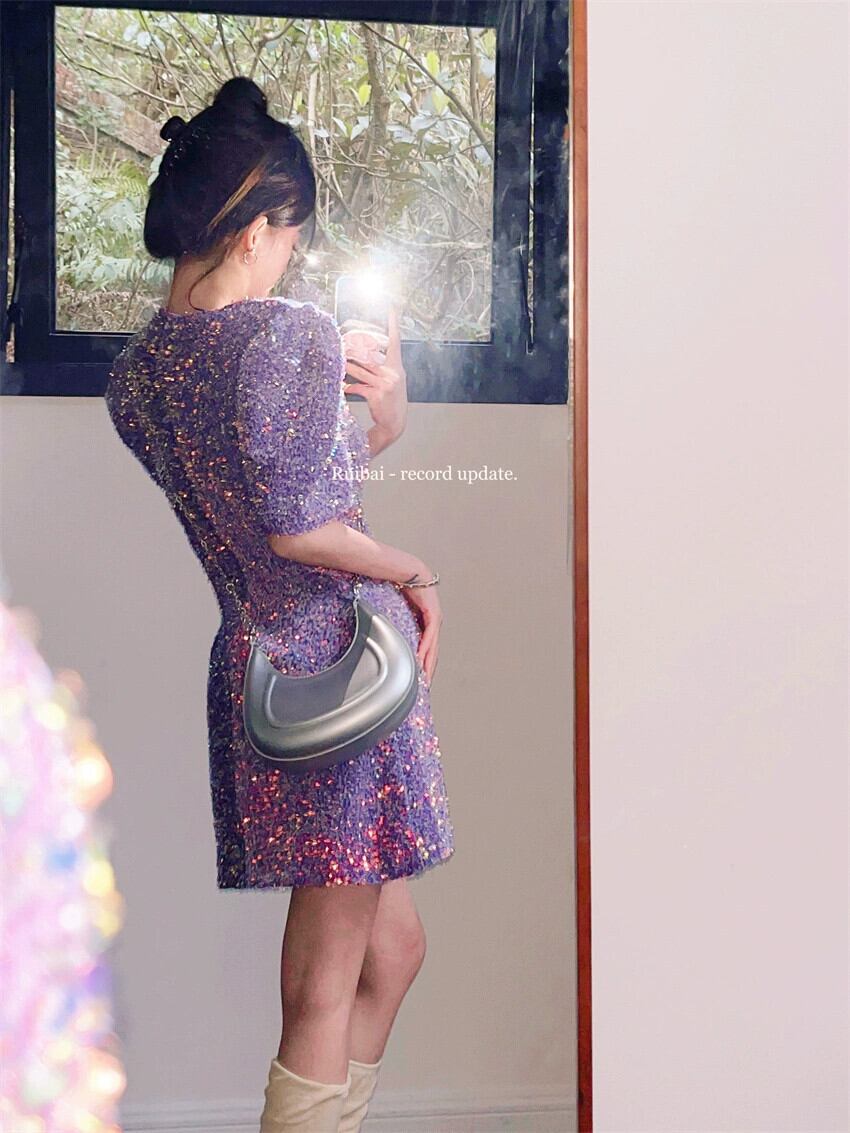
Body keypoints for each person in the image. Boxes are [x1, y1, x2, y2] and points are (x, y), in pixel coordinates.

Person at [104, 76, 456, 1131]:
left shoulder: (139, 374)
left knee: (392, 949)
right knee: (325, 980)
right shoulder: (288, 335)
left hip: (262, 663)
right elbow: (302, 529)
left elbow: (293, 490)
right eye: (291, 238)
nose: (292, 260)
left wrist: (381, 416)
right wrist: (413, 570)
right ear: (259, 225)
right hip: (339, 664)